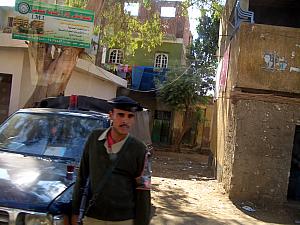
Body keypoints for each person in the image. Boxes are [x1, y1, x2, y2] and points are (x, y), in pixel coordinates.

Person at [71, 96, 151, 225]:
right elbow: (82, 177)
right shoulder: (94, 139)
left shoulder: (140, 149)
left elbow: (143, 189)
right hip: (93, 217)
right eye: (120, 115)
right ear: (111, 115)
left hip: (124, 220)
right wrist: (75, 212)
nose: (125, 120)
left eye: (130, 116)